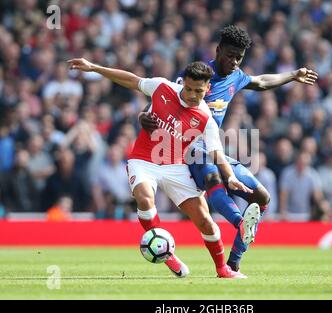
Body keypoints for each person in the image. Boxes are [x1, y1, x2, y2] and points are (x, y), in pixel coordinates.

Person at [138, 25, 319, 272]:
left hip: (214, 149)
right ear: (218, 50)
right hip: (187, 149)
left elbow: (262, 82)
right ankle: (239, 221)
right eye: (230, 55)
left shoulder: (236, 76)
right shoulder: (198, 76)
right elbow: (166, 98)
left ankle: (233, 265)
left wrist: (293, 75)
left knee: (262, 197)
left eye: (239, 57)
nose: (234, 61)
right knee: (213, 175)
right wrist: (145, 114)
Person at [68, 58, 253, 279]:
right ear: (183, 82)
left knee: (204, 219)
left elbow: (217, 153)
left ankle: (223, 269)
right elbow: (132, 80)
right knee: (145, 199)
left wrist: (230, 177)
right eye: (189, 89)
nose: (193, 95)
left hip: (175, 166)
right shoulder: (162, 87)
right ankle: (168, 256)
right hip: (144, 160)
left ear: (208, 88)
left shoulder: (206, 119)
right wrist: (95, 67)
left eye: (199, 91)